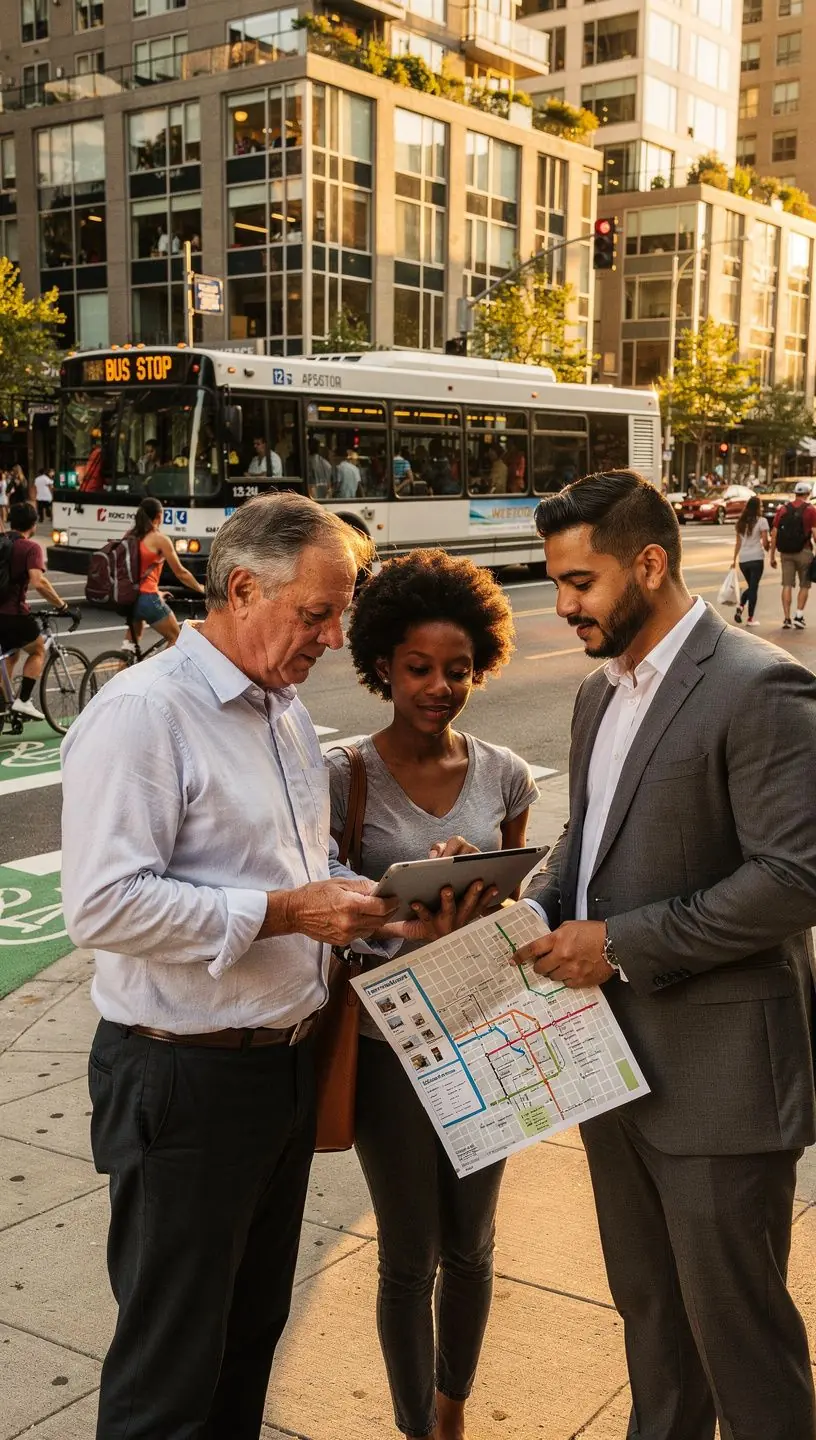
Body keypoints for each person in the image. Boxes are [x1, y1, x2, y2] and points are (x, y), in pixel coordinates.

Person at [61, 493, 459, 1440]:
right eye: (316, 614)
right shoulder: (145, 713)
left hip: (280, 1068)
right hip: (183, 1077)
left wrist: (383, 907)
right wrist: (287, 912)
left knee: (246, 1343)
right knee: (169, 1370)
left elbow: (299, 866)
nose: (332, 638)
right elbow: (103, 906)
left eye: (338, 614)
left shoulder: (281, 708)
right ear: (242, 589)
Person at [518, 469, 816, 1440]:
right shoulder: (599, 693)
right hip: (609, 1071)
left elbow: (796, 877)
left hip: (720, 1085)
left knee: (742, 1346)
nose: (565, 608)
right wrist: (534, 904)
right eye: (557, 585)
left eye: (581, 583)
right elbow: (589, 835)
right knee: (651, 1324)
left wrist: (619, 944)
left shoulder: (758, 684)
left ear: (649, 564)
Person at [328, 550, 539, 1440]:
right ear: (382, 663)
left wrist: (486, 886)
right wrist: (398, 910)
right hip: (390, 1047)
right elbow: (323, 908)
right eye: (419, 668)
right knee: (409, 1257)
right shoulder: (344, 775)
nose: (440, 687)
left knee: (473, 1246)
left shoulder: (506, 774)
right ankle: (416, 1427)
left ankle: (453, 1413)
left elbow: (524, 904)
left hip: (486, 1036)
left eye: (458, 669)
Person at [0, 501, 71, 721]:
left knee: (11, 654)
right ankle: (23, 701)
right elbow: (38, 582)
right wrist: (61, 605)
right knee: (38, 649)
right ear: (33, 524)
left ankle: (5, 704)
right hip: (13, 614)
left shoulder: (2, 542)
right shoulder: (30, 548)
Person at [126, 497, 205, 649]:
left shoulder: (130, 536)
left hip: (128, 597)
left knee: (131, 645)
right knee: (176, 637)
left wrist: (157, 592)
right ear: (159, 516)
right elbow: (181, 573)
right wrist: (200, 588)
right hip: (147, 597)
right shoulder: (160, 539)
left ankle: (123, 661)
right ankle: (158, 666)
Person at [769, 478, 816, 629]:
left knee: (787, 585)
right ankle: (799, 616)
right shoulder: (811, 510)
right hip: (804, 552)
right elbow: (815, 534)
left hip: (786, 553)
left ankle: (787, 618)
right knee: (804, 585)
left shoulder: (783, 509)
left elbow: (774, 533)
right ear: (808, 494)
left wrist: (772, 556)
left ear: (795, 493)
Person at [732, 493, 770, 626]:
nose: (762, 508)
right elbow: (765, 542)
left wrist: (734, 560)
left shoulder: (740, 523)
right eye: (761, 506)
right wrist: (769, 548)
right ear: (757, 508)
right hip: (756, 558)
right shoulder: (762, 521)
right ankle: (750, 618)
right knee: (753, 588)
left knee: (751, 587)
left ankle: (740, 607)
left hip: (743, 560)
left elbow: (738, 543)